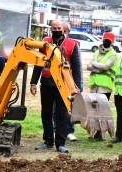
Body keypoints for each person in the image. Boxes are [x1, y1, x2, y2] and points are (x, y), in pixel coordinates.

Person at [30, 19, 82, 153]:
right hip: (46, 84)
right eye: (54, 28)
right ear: (51, 29)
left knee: (61, 115)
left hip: (63, 86)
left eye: (59, 28)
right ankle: (48, 141)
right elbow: (38, 64)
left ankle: (60, 143)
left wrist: (77, 86)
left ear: (64, 29)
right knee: (46, 114)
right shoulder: (44, 44)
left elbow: (76, 67)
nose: (57, 30)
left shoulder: (72, 45)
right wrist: (33, 82)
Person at [87, 32, 117, 141]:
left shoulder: (113, 54)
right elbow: (88, 66)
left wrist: (94, 64)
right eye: (105, 40)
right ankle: (96, 132)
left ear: (112, 42)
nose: (106, 42)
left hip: (105, 86)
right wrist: (96, 67)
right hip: (94, 85)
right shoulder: (96, 52)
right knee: (94, 110)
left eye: (108, 40)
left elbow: (106, 66)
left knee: (102, 111)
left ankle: (101, 133)